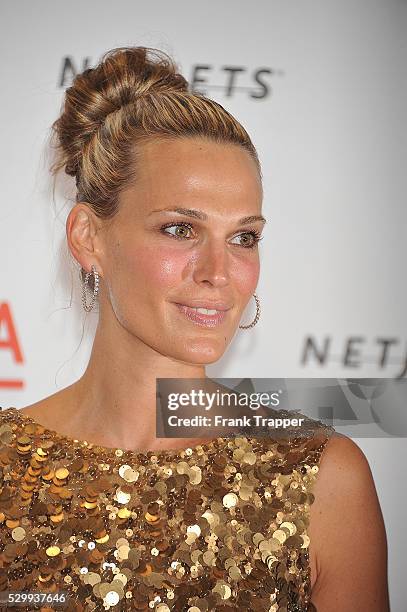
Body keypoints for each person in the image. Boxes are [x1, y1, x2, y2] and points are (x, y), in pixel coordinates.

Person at [0, 46, 389, 611]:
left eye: (243, 237)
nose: (218, 274)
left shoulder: (322, 477)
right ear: (88, 237)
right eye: (180, 229)